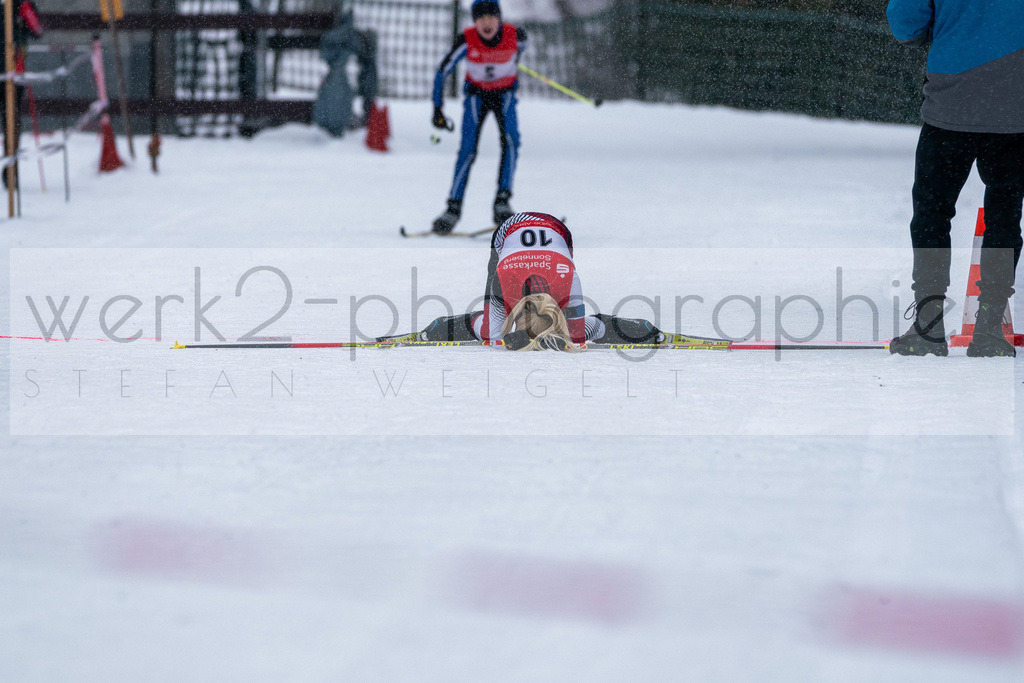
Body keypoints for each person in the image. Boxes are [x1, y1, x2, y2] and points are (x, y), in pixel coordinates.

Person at [886, 0, 1024, 357]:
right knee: (1004, 213)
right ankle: (991, 328)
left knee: (933, 212)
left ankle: (929, 327)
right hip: (1016, 108)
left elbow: (905, 22)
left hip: (952, 106)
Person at [379, 212, 683, 350]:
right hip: (508, 237)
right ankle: (435, 329)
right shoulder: (507, 278)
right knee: (493, 331)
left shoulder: (566, 278)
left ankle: (644, 329)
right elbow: (576, 335)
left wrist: (561, 334)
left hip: (556, 232)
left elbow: (575, 335)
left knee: (567, 332)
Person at [430, 0, 527, 235]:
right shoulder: (466, 40)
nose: (486, 22)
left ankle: (502, 201)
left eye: (491, 16)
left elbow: (519, 51)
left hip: (504, 95)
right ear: (474, 21)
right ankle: (453, 208)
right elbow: (442, 71)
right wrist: (437, 108)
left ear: (499, 18)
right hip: (477, 96)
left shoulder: (517, 36)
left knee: (511, 141)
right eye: (480, 17)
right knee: (467, 150)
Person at [1, 0, 43, 189]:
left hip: (14, 74)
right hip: (7, 71)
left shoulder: (21, 5)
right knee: (11, 122)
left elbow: (38, 30)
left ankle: (11, 167)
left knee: (12, 122)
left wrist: (25, 9)